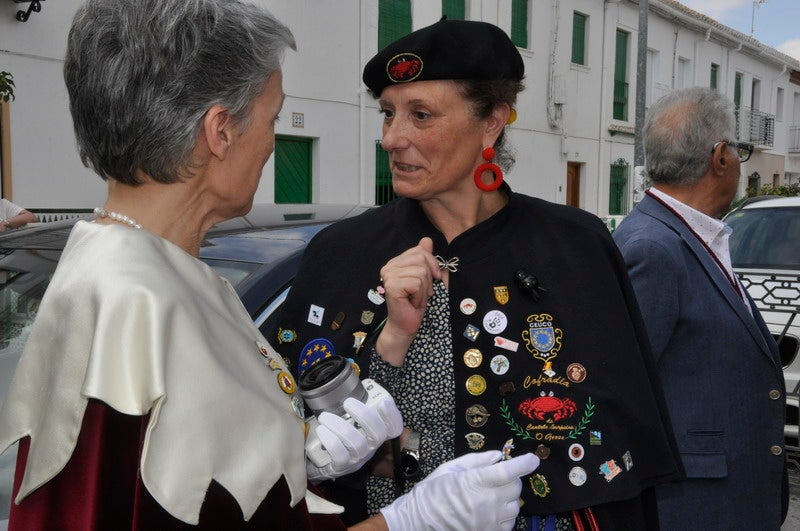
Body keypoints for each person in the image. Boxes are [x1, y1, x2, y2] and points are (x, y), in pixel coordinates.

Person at [0, 1, 539, 530]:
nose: (270, 145)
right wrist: (411, 521)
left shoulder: (126, 273)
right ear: (220, 131)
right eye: (272, 118)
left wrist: (299, 459)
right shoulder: (145, 308)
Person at [272, 18, 683, 530]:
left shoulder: (575, 246)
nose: (392, 138)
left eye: (420, 115)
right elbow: (291, 434)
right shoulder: (342, 253)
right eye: (387, 114)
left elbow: (618, 435)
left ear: (491, 121)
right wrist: (388, 345)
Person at [613, 87, 788, 530]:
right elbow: (621, 390)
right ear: (722, 157)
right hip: (691, 507)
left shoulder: (685, 235)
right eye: (739, 150)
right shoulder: (654, 247)